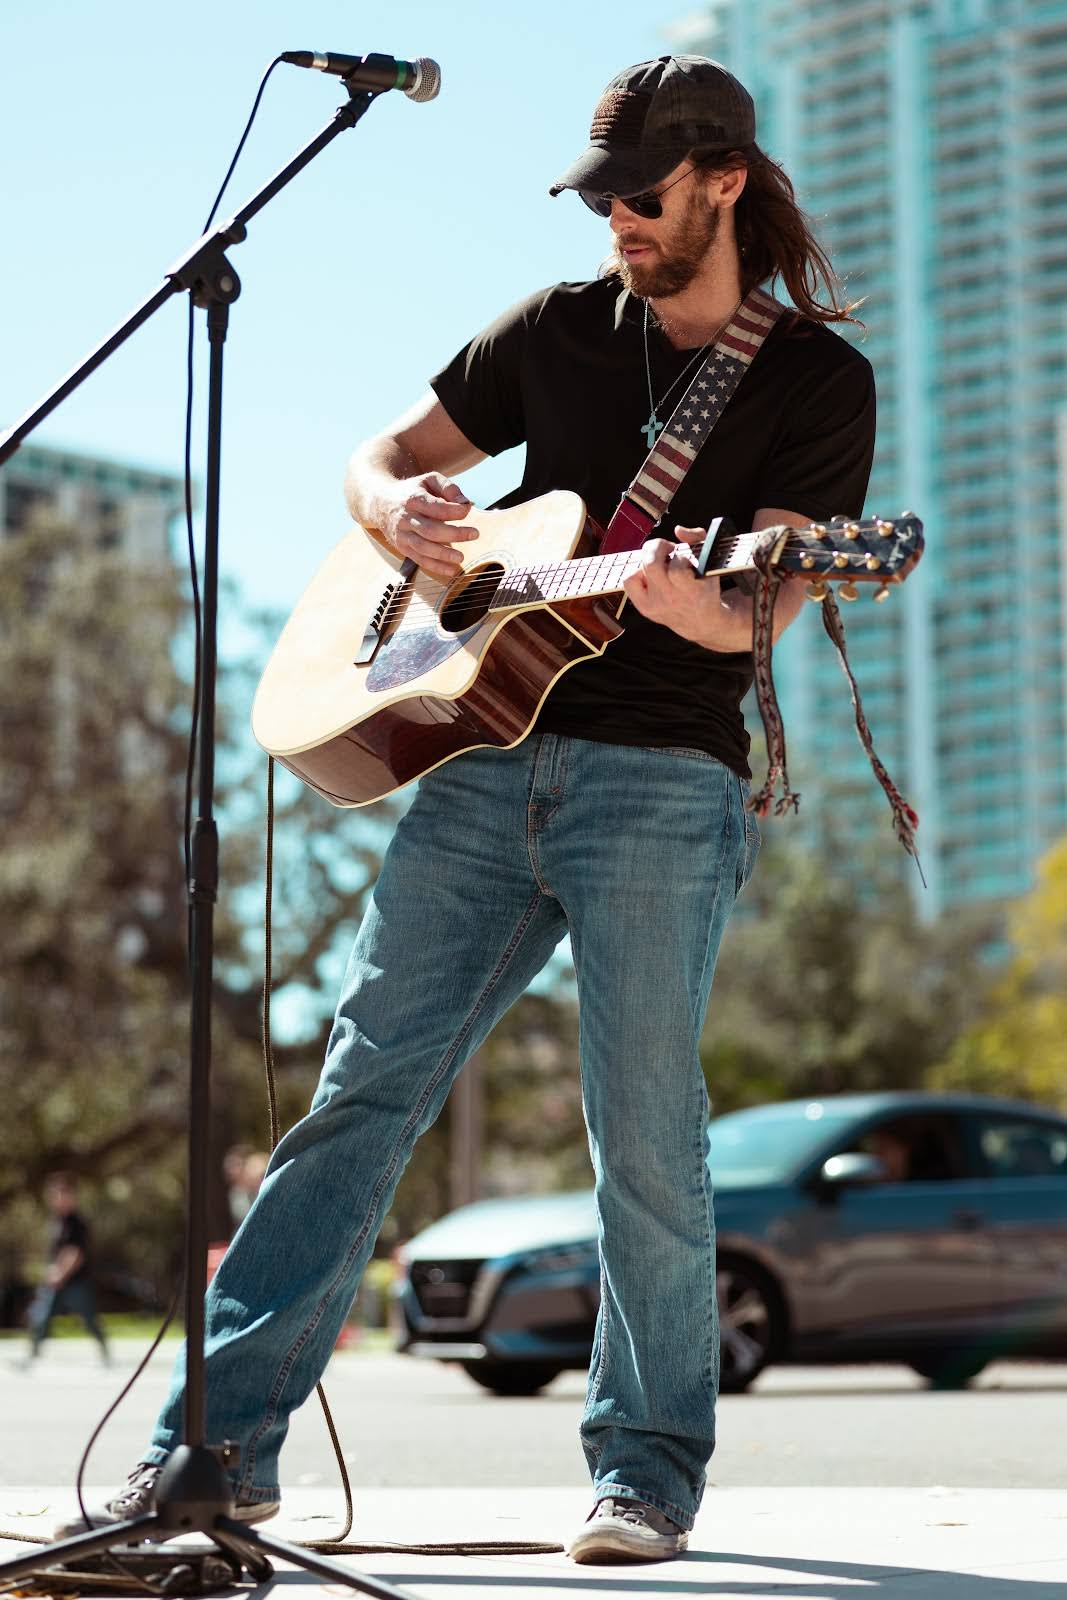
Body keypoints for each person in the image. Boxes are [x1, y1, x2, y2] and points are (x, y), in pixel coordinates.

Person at [70, 55, 875, 1563]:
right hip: (472, 763)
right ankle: (220, 1451)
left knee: (643, 1137)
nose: (616, 226)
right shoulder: (556, 330)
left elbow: (752, 620)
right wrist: (402, 515)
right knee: (355, 1102)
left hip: (657, 784)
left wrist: (680, 599)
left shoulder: (814, 384)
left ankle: (642, 1471)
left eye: (640, 199)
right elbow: (379, 459)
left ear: (718, 184)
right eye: (598, 200)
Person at [25, 1172, 109, 1366]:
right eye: (55, 1194)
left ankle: (105, 1351)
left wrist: (59, 1273)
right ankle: (32, 1356)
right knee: (41, 1317)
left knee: (89, 1319)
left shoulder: (76, 1224)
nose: (59, 1198)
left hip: (76, 1282)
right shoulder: (56, 1222)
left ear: (72, 1196)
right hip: (56, 1282)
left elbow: (75, 1254)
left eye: (63, 1194)